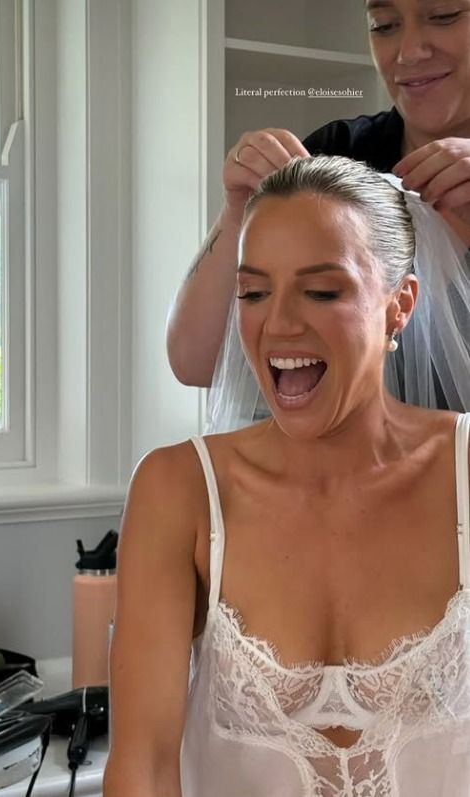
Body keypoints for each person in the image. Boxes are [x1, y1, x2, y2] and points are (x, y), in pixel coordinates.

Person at [104, 156, 470, 797]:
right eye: (253, 293)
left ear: (400, 306)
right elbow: (144, 769)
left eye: (322, 291)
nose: (278, 324)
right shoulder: (179, 490)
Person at [166, 0, 470, 415]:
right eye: (383, 25)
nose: (409, 52)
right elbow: (196, 363)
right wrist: (237, 210)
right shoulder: (336, 155)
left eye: (444, 16)